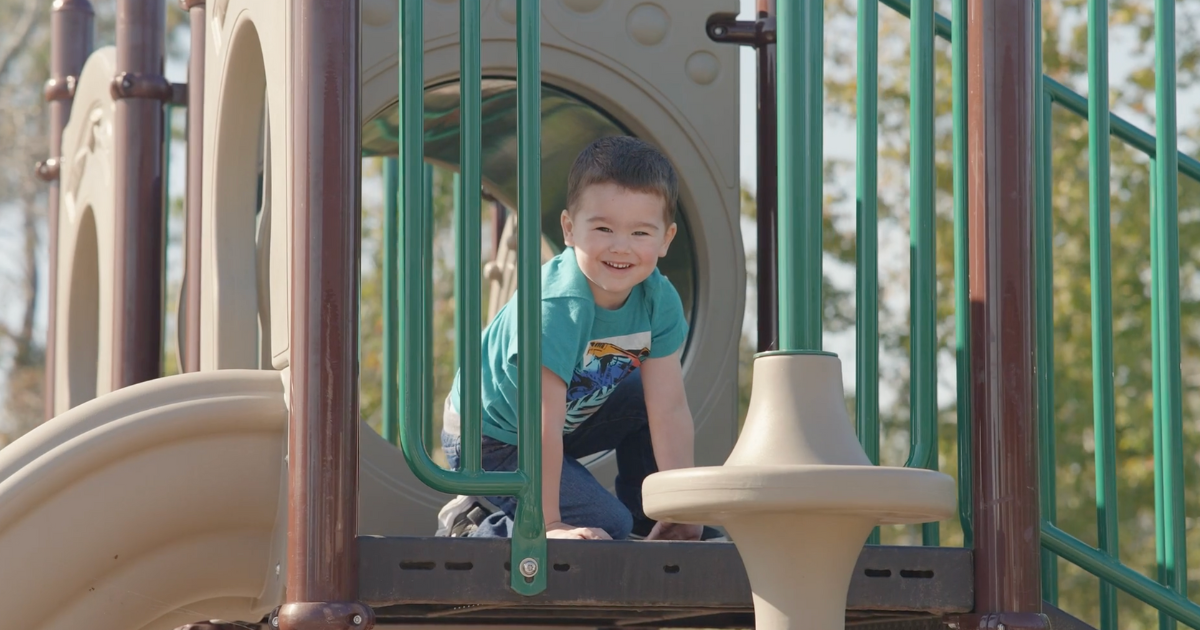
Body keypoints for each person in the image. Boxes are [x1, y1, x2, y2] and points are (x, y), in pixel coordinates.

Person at [439, 136, 703, 541]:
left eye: (640, 233)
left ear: (666, 239)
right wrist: (549, 525)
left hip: (559, 422)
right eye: (603, 228)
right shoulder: (557, 306)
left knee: (639, 398)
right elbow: (539, 423)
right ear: (568, 229)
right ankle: (478, 526)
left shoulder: (657, 298)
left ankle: (651, 524)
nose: (621, 246)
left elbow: (668, 409)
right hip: (489, 439)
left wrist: (682, 508)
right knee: (605, 526)